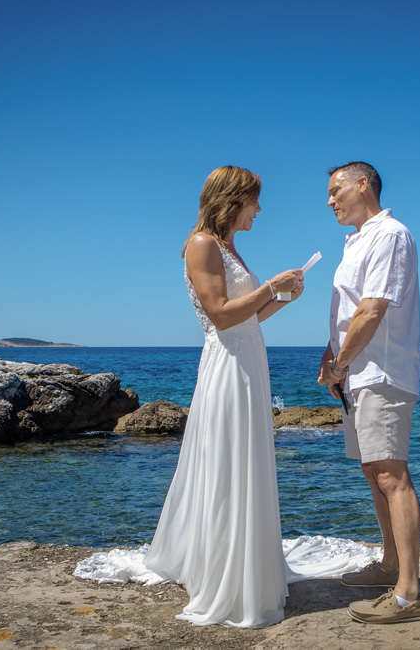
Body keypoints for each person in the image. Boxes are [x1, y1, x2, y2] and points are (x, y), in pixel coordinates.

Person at [143, 166, 304, 628]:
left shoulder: (230, 248)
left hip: (248, 361)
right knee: (229, 461)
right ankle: (224, 573)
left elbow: (249, 317)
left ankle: (247, 564)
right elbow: (219, 314)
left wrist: (282, 297)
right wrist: (268, 286)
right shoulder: (202, 245)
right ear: (233, 200)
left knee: (246, 459)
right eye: (254, 200)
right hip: (228, 368)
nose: (259, 209)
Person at [317, 161, 420, 624]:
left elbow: (373, 308)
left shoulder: (390, 234)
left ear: (364, 184)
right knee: (372, 471)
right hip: (358, 374)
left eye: (336, 189)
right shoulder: (355, 241)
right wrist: (331, 357)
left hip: (381, 372)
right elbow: (347, 312)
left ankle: (409, 594)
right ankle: (389, 566)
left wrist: (341, 362)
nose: (330, 200)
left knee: (391, 475)